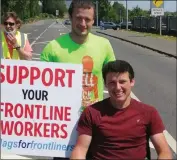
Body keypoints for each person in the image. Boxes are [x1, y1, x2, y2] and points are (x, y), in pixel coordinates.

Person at [71, 60, 172, 160]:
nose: (117, 87)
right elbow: (80, 149)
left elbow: (164, 151)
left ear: (132, 82)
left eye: (122, 82)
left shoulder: (148, 112)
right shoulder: (92, 112)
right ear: (105, 84)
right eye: (112, 83)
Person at [40, 0, 115, 111]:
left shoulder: (104, 45)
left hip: (93, 118)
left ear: (93, 20)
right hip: (62, 117)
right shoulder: (52, 48)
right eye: (79, 18)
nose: (83, 24)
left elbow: (114, 80)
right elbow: (39, 87)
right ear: (70, 17)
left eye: (87, 19)